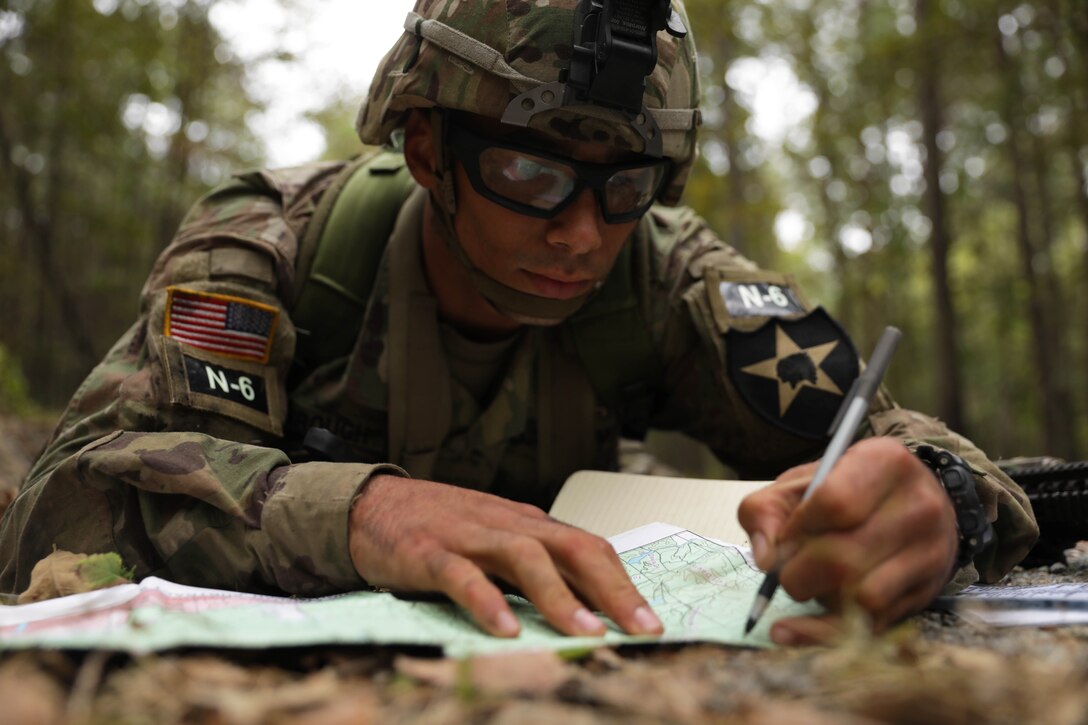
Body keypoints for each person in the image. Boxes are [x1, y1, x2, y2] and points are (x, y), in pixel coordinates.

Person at [0, 0, 1037, 646]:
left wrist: (938, 502)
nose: (580, 234)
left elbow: (902, 444)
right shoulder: (268, 251)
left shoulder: (666, 277)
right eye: (528, 172)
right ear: (423, 149)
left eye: (622, 183)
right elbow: (67, 502)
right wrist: (359, 514)